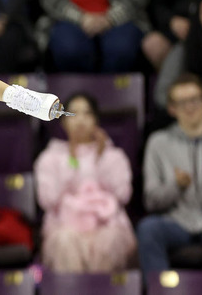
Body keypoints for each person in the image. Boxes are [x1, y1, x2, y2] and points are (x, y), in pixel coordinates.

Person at [34, 93, 136, 272]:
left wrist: (101, 157)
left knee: (110, 239)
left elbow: (123, 195)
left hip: (106, 226)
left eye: (87, 114)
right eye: (73, 113)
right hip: (65, 228)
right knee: (65, 241)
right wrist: (71, 162)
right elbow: (48, 200)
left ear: (96, 120)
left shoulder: (113, 155)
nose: (80, 120)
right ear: (63, 121)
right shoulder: (50, 157)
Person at [137, 74, 202, 276]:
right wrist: (177, 186)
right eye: (182, 103)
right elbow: (151, 200)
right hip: (175, 222)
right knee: (148, 229)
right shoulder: (158, 143)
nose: (190, 107)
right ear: (171, 109)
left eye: (194, 100)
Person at [154, 0, 202, 111]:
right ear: (198, 18)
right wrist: (201, 96)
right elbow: (161, 95)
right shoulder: (183, 51)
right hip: (192, 119)